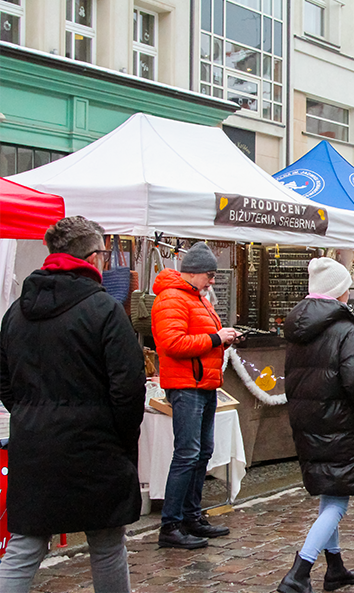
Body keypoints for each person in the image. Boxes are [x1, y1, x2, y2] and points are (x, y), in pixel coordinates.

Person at [0, 217, 146, 593]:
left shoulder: (16, 312)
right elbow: (128, 387)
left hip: (35, 443)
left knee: (26, 545)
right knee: (107, 543)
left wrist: (30, 414)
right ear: (95, 257)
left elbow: (4, 379)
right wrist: (120, 436)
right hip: (96, 444)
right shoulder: (104, 310)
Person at [276, 257, 354, 593]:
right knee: (337, 501)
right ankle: (299, 571)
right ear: (339, 292)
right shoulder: (345, 329)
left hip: (309, 421)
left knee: (330, 490)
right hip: (340, 421)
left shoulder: (298, 330)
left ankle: (334, 568)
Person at [153, 242, 239, 549]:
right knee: (187, 453)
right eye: (211, 275)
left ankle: (191, 515)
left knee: (202, 452)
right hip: (186, 386)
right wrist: (217, 337)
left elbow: (199, 338)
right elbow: (173, 343)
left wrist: (223, 339)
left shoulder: (197, 298)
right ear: (195, 272)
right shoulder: (172, 298)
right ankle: (171, 525)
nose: (213, 281)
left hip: (203, 385)